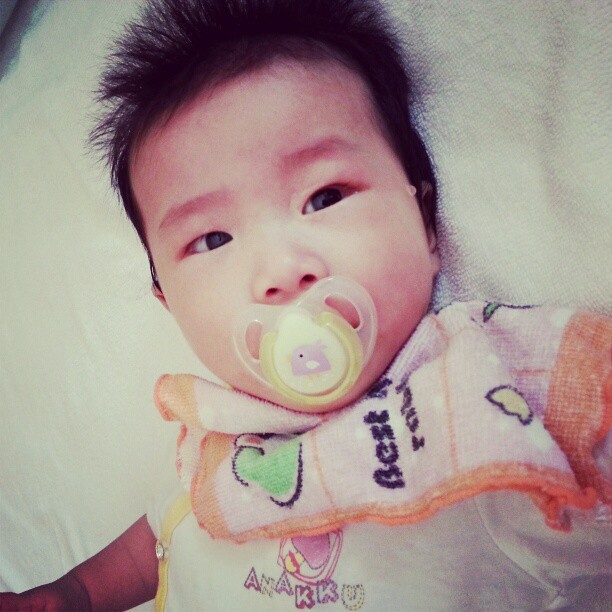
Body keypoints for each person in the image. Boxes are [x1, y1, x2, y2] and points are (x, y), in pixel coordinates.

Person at [1, 0, 610, 610]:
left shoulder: (483, 398)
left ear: (426, 223)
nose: (282, 272)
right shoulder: (222, 430)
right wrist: (78, 591)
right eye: (212, 239)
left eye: (324, 197)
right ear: (169, 305)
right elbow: (165, 534)